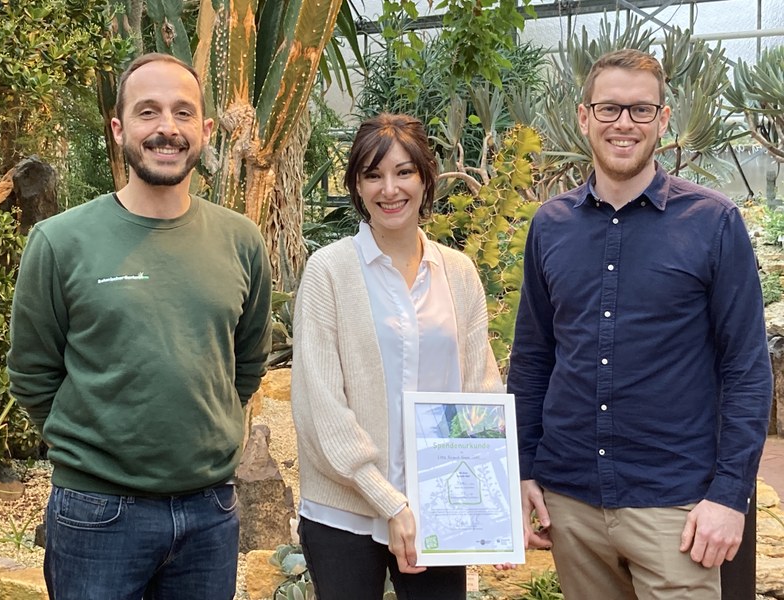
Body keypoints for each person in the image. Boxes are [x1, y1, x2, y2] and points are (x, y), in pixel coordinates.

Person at [508, 48, 772, 599]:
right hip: (572, 503)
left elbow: (747, 371)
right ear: (584, 117)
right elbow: (533, 359)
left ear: (663, 120)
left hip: (676, 509)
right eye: (608, 109)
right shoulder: (550, 226)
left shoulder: (712, 223)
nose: (623, 123)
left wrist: (730, 495)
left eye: (640, 110)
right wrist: (524, 468)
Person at [7, 53, 272, 599]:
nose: (166, 128)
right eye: (148, 112)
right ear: (119, 127)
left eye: (182, 112)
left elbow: (246, 363)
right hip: (96, 515)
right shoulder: (60, 242)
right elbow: (33, 374)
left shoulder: (241, 240)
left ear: (204, 129)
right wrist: (97, 452)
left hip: (209, 513)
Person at [290, 113, 504, 600]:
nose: (390, 188)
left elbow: (481, 390)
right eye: (373, 174)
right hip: (345, 512)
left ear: (427, 179)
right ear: (357, 187)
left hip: (439, 509)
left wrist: (494, 506)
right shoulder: (329, 272)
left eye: (404, 172)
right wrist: (390, 502)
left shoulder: (458, 272)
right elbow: (320, 407)